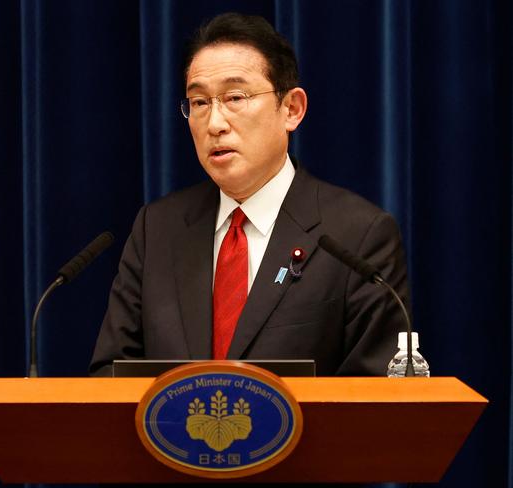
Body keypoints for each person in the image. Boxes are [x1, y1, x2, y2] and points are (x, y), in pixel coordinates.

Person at [89, 12, 410, 377]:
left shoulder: (357, 235)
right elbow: (111, 375)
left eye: (235, 97)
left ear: (292, 109)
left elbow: (375, 400)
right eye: (199, 103)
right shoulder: (157, 229)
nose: (215, 123)